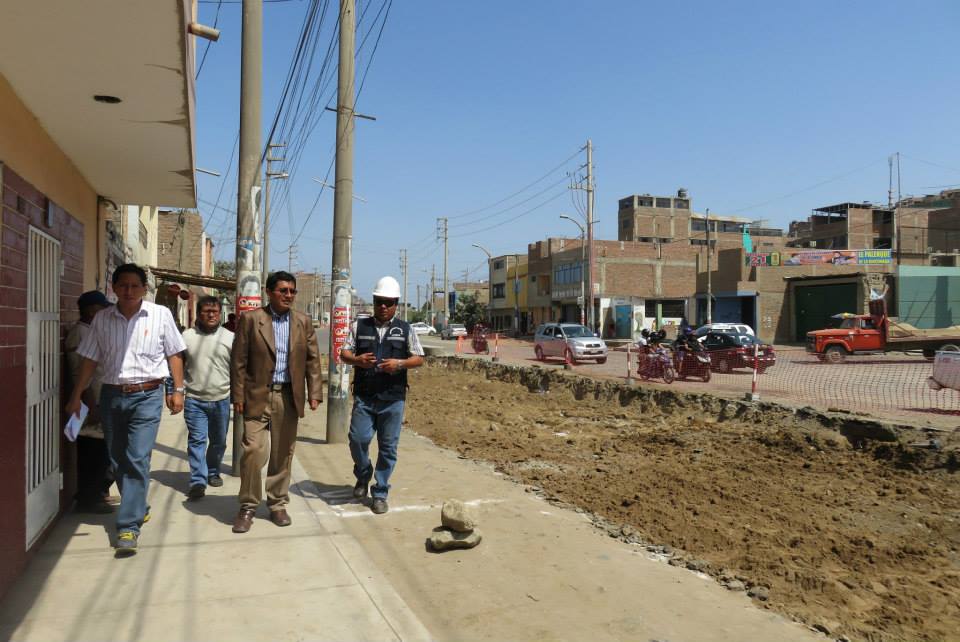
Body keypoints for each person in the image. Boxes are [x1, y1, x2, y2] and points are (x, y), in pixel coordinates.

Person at [65, 264, 186, 556]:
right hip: (111, 395)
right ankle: (139, 504)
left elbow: (174, 353)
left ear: (144, 288)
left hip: (148, 395)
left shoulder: (160, 315)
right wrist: (76, 395)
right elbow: (90, 360)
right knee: (117, 457)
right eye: (123, 285)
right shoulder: (102, 319)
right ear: (114, 288)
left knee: (137, 457)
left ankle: (128, 527)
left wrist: (178, 390)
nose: (129, 291)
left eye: (135, 286)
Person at [231, 271, 323, 533]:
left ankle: (277, 503)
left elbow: (312, 360)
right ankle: (248, 505)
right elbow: (238, 361)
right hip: (257, 394)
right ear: (269, 292)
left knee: (283, 453)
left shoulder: (302, 322)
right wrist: (237, 395)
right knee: (253, 451)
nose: (289, 295)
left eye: (292, 291)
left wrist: (314, 392)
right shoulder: (251, 320)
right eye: (283, 290)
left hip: (288, 396)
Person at [340, 276, 425, 515]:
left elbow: (418, 358)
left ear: (396, 304)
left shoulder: (405, 329)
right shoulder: (359, 327)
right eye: (379, 302)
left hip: (393, 399)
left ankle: (380, 491)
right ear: (374, 301)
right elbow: (343, 353)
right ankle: (363, 473)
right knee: (357, 439)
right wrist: (357, 360)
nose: (383, 307)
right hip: (365, 397)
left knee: (388, 448)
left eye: (388, 302)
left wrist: (399, 364)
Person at [64, 290, 113, 513]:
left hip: (102, 399)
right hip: (91, 402)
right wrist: (90, 404)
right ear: (92, 311)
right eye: (103, 309)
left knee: (102, 452)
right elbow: (79, 373)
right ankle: (88, 498)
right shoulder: (80, 334)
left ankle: (98, 493)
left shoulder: (92, 331)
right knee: (92, 453)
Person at [181, 295, 234, 499]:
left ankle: (213, 471)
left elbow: (238, 370)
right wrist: (174, 390)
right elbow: (175, 365)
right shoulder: (187, 336)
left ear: (220, 313)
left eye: (214, 311)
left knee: (219, 441)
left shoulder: (230, 337)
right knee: (197, 440)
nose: (211, 315)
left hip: (222, 398)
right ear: (199, 313)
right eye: (206, 311)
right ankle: (198, 481)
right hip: (194, 399)